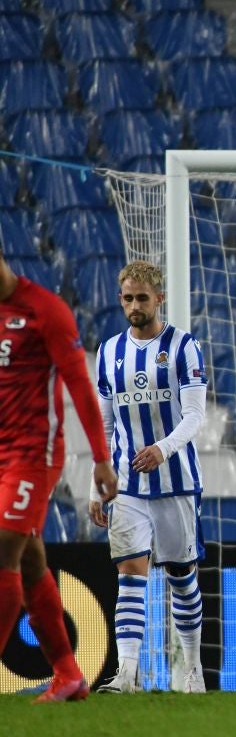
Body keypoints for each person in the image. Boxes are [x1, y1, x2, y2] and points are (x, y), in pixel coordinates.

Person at [0, 241, 117, 703]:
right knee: (30, 562)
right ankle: (68, 674)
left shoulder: (45, 310)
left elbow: (79, 384)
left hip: (34, 455)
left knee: (3, 549)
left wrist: (101, 458)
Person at [89, 261, 210, 694]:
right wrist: (95, 486)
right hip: (127, 484)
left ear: (159, 298)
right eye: (127, 298)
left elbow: (196, 416)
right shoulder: (108, 352)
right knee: (131, 571)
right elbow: (103, 426)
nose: (134, 306)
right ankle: (127, 674)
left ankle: (192, 667)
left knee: (181, 574)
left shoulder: (184, 347)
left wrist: (163, 449)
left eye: (142, 297)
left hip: (177, 482)